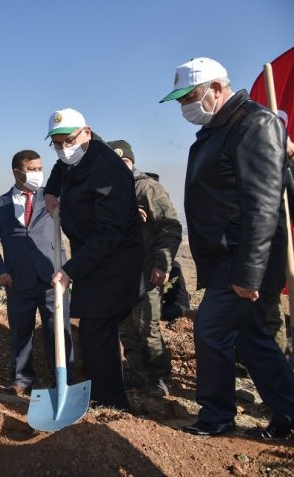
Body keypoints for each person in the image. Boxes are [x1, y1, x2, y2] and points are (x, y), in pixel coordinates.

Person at [160, 57, 294, 439]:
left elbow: (263, 203)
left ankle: (216, 415)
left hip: (241, 258)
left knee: (209, 330)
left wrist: (249, 273)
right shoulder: (220, 128)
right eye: (181, 99)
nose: (185, 106)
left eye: (191, 96)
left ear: (217, 88)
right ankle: (289, 412)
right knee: (251, 340)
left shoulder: (255, 124)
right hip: (225, 258)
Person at [45, 109, 144, 411]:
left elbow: (109, 233)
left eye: (69, 140)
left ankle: (112, 402)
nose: (64, 148)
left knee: (96, 329)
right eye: (57, 143)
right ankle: (105, 396)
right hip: (92, 255)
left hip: (113, 259)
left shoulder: (108, 171)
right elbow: (61, 169)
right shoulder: (76, 158)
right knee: (93, 330)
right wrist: (51, 191)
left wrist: (69, 271)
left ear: (86, 132)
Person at [0, 149, 72, 394]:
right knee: (21, 333)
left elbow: (78, 223)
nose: (37, 174)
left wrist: (69, 269)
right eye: (31, 169)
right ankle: (22, 380)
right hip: (17, 280)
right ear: (16, 172)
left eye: (39, 168)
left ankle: (63, 381)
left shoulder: (52, 198)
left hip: (53, 278)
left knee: (58, 332)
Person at [108, 140, 182, 398]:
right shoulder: (109, 192)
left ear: (132, 161)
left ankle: (158, 378)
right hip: (119, 275)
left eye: (124, 162)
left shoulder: (147, 188)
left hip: (146, 273)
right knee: (126, 328)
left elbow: (170, 227)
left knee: (146, 326)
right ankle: (137, 375)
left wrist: (162, 264)